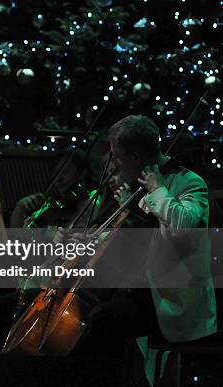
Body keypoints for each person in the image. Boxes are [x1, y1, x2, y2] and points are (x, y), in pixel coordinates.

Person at [93, 115, 217, 386]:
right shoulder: (139, 187)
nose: (115, 163)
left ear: (135, 156)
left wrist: (158, 189)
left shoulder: (189, 182)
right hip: (143, 289)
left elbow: (184, 227)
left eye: (117, 157)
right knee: (96, 306)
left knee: (100, 324)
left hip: (172, 298)